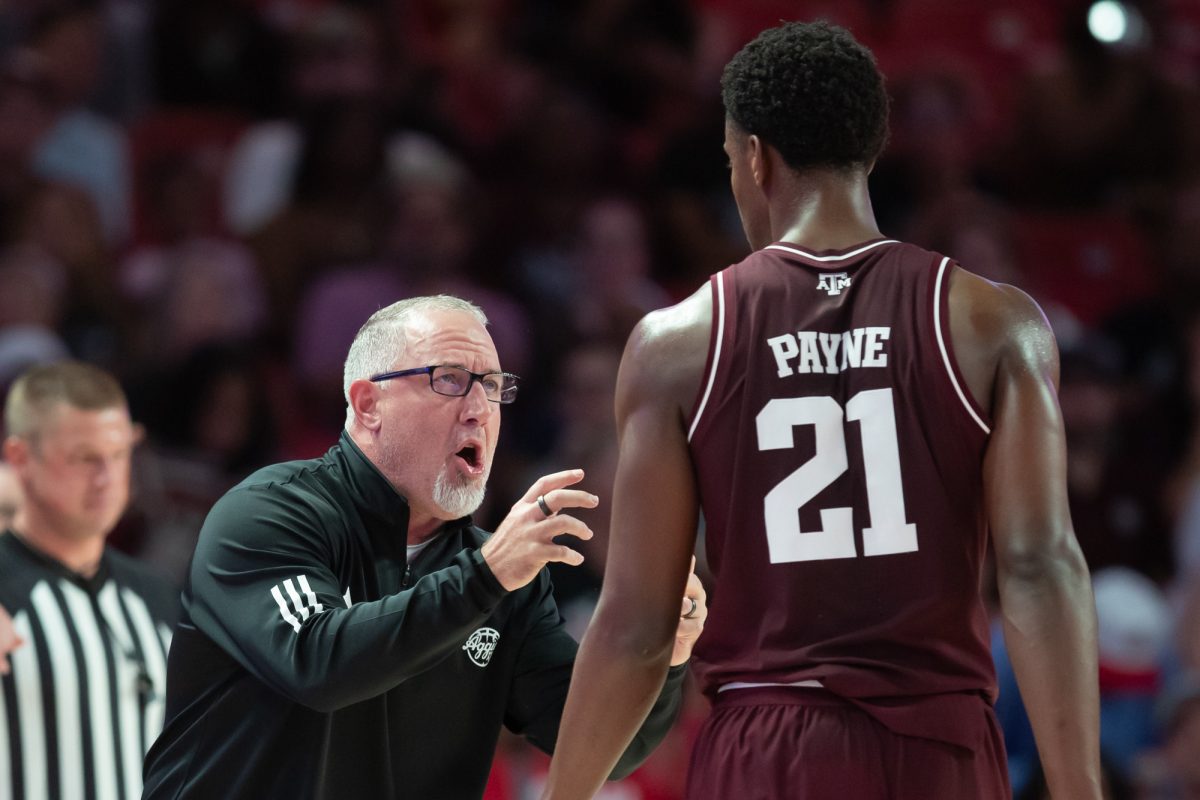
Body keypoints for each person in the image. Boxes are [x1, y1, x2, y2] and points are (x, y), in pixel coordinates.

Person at [542, 20, 1101, 799]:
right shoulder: (993, 323)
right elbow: (1041, 567)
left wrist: (565, 792)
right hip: (939, 747)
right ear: (869, 152)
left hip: (767, 745)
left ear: (755, 157)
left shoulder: (677, 343)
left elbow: (638, 627)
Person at [141, 294, 707, 800]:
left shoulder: (503, 574)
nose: (479, 407)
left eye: (492, 386)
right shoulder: (270, 513)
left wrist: (666, 650)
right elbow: (317, 665)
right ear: (367, 405)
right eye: (451, 379)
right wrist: (484, 577)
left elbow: (595, 743)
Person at [0, 360, 178, 800]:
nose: (107, 479)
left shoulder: (158, 597)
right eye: (84, 459)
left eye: (118, 455)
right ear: (20, 458)